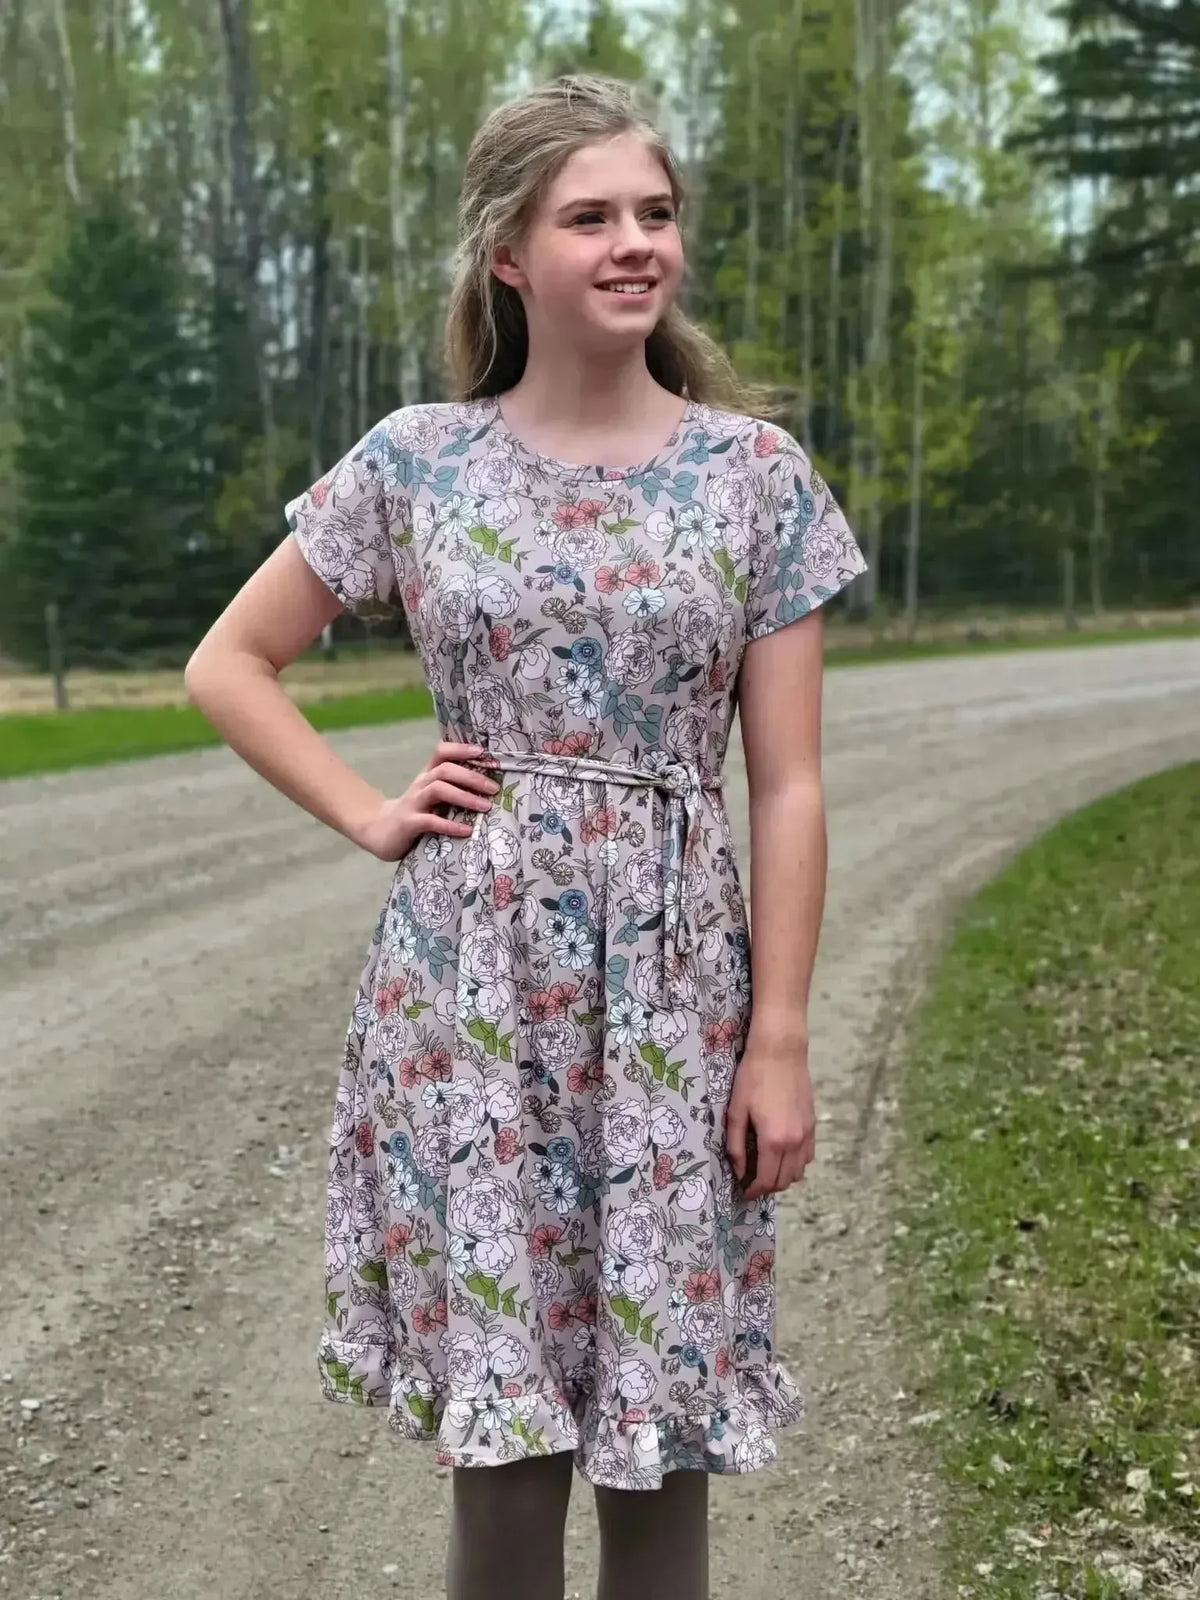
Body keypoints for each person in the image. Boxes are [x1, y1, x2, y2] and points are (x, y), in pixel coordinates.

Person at [185, 70, 868, 1600]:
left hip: (678, 1007)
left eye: (657, 213)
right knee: (502, 1449)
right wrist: (371, 811)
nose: (638, 244)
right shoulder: (420, 459)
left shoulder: (756, 480)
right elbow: (229, 664)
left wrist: (781, 1038)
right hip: (473, 1006)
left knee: (660, 1430)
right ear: (510, 252)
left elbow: (790, 785)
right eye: (593, 217)